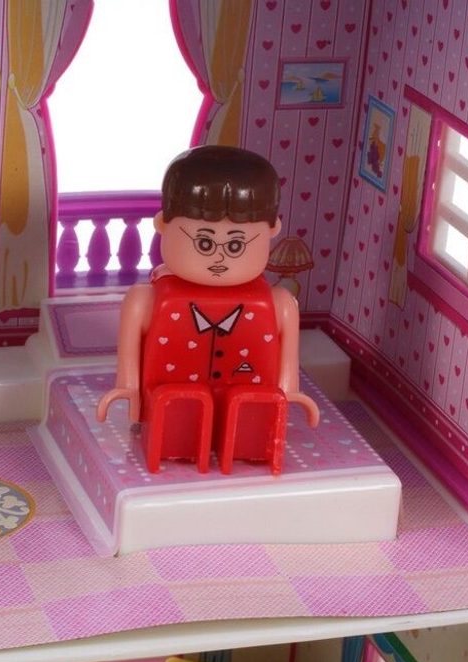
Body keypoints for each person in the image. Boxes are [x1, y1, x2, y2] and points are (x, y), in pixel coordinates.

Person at [96, 145, 320, 475]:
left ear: (272, 230)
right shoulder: (144, 300)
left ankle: (249, 450)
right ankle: (175, 449)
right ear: (163, 224)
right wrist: (128, 388)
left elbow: (287, 367)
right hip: (170, 403)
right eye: (204, 243)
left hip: (251, 403)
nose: (219, 258)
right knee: (175, 417)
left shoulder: (280, 304)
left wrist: (289, 395)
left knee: (248, 420)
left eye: (236, 245)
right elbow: (129, 362)